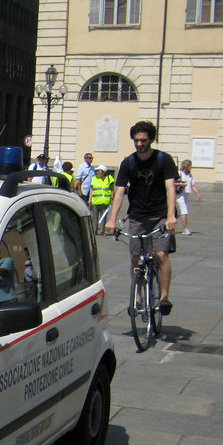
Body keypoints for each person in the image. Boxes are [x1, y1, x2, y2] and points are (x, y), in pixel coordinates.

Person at [104, 120, 178, 315]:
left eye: (143, 140)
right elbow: (119, 192)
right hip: (137, 215)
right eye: (136, 140)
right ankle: (138, 295)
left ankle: (163, 297)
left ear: (151, 140)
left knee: (161, 254)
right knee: (135, 257)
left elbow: (170, 188)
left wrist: (171, 216)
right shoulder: (128, 163)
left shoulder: (164, 160)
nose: (139, 144)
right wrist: (112, 220)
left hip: (160, 214)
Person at [88, 165, 114, 234]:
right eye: (97, 171)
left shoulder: (109, 179)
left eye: (99, 171)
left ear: (103, 172)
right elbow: (91, 190)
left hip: (105, 201)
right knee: (95, 217)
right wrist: (90, 199)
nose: (97, 172)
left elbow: (112, 190)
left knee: (103, 217)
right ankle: (94, 230)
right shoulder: (94, 178)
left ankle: (102, 231)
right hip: (95, 201)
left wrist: (112, 199)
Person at [174, 159, 197, 235]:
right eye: (190, 165)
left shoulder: (190, 175)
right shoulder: (179, 173)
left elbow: (192, 185)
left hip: (185, 194)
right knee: (184, 211)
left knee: (180, 211)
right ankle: (185, 229)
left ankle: (172, 225)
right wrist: (182, 184)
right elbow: (172, 183)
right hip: (179, 194)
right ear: (186, 166)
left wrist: (197, 193)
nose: (191, 167)